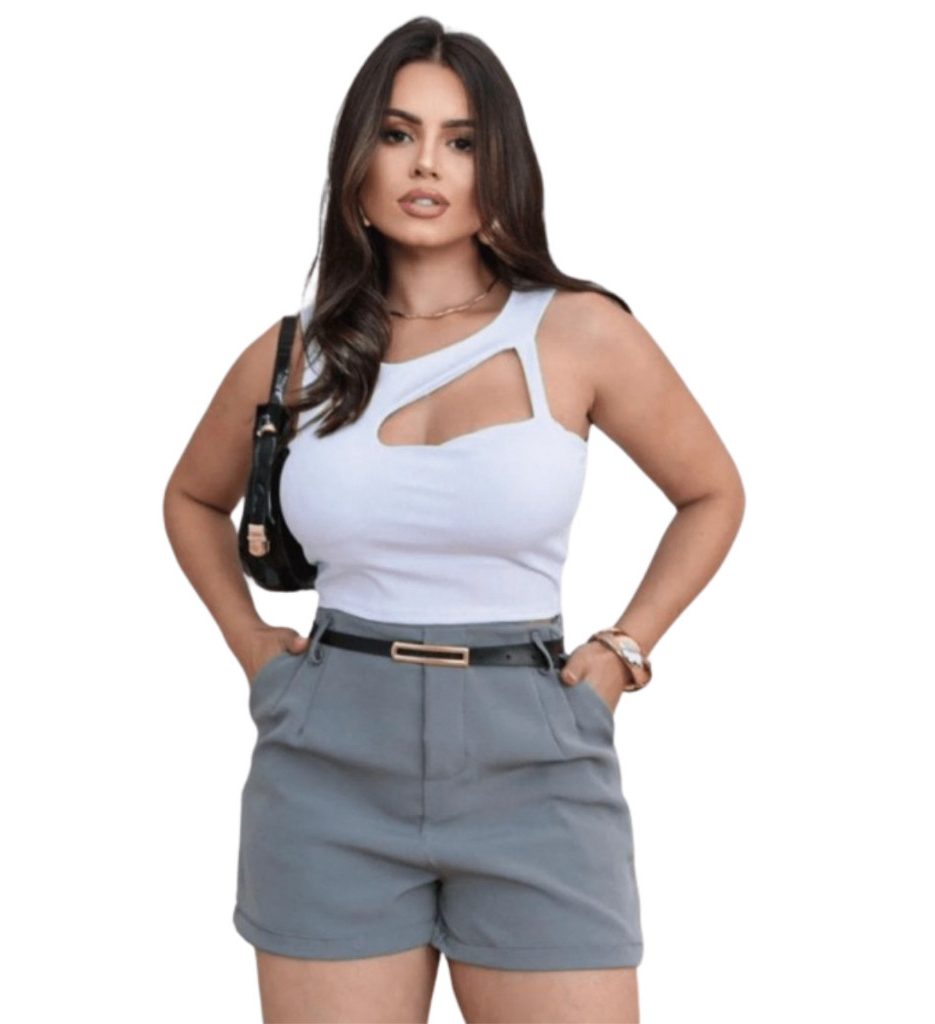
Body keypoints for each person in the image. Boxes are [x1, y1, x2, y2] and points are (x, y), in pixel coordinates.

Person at [163, 15, 744, 1024]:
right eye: (397, 134)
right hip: (327, 755)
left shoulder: (579, 331)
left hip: (535, 751)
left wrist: (623, 652)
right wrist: (250, 643)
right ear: (358, 160)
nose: (426, 163)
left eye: (461, 140)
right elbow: (189, 498)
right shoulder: (294, 354)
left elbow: (712, 493)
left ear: (499, 164)